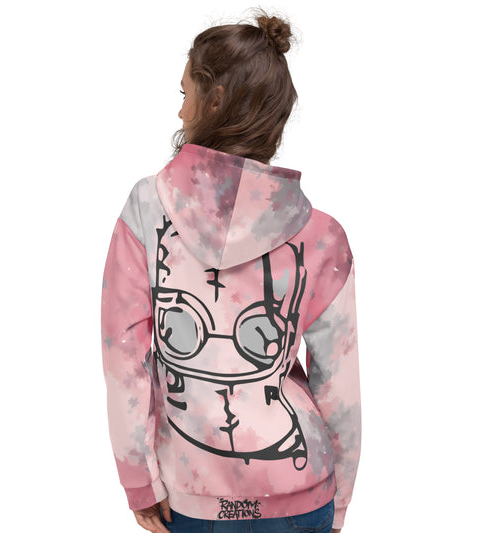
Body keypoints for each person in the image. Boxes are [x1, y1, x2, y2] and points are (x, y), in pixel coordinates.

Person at [101, 9, 361, 533]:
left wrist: (139, 480)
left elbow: (124, 358)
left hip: (190, 493)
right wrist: (340, 501)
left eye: (185, 93)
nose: (180, 111)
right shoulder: (323, 237)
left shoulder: (146, 209)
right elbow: (339, 387)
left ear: (215, 99)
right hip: (301, 490)